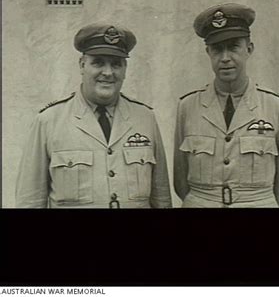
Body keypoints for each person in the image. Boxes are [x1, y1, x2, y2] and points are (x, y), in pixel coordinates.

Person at [16, 23, 172, 208]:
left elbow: (161, 198)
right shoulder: (49, 121)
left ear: (125, 69)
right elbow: (30, 202)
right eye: (98, 62)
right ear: (82, 65)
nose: (107, 72)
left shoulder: (145, 118)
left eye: (116, 64)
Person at [173, 3, 279, 208]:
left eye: (233, 47)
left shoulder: (278, 108)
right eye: (217, 49)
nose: (225, 58)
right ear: (208, 52)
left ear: (249, 49)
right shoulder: (187, 107)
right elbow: (180, 179)